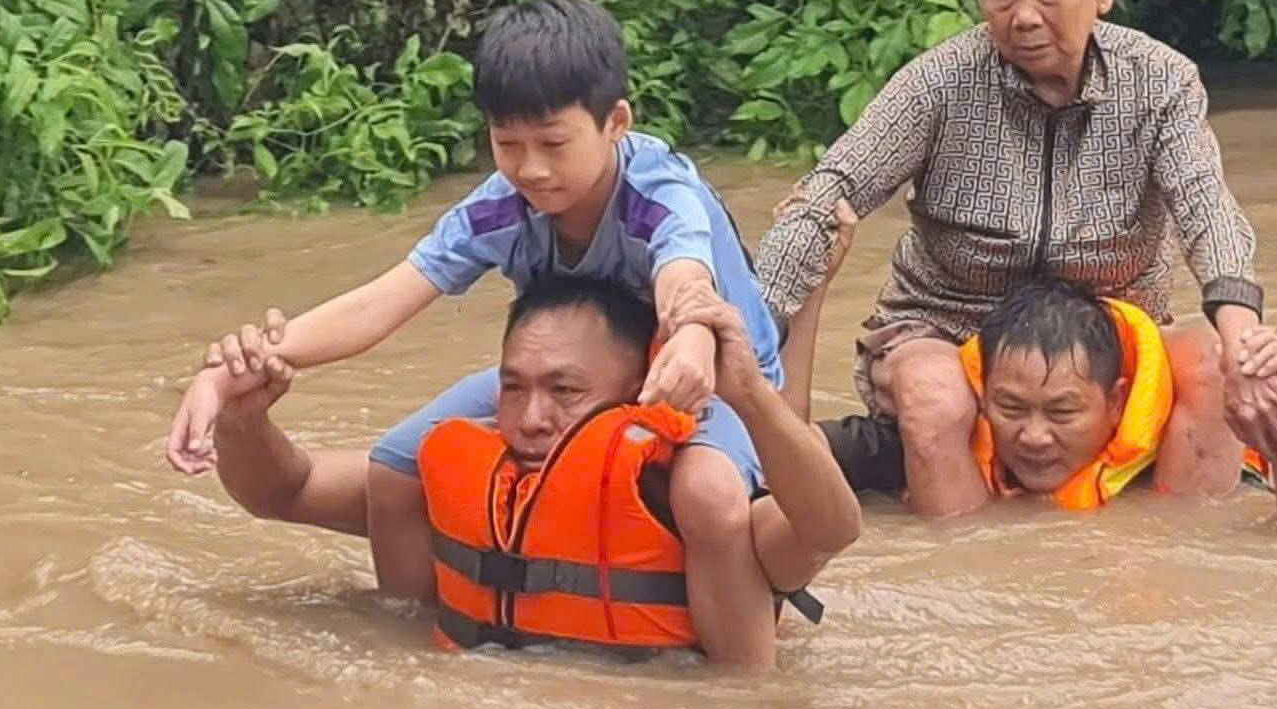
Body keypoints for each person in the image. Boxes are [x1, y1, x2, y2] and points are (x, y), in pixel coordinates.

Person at [166, 0, 798, 668]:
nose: (531, 169)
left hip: (708, 377)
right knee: (395, 469)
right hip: (573, 378)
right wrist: (238, 366)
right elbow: (381, 303)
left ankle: (746, 684)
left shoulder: (662, 191)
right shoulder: (503, 206)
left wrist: (697, 337)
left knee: (707, 494)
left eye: (554, 144)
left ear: (616, 123)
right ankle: (418, 651)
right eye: (508, 145)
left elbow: (686, 275)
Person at [756, 0, 1277, 517]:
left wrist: (1243, 336)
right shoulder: (940, 83)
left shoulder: (1161, 82)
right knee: (934, 395)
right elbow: (830, 191)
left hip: (1100, 349)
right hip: (945, 333)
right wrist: (755, 321)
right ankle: (970, 578)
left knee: (1216, 366)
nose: (1023, 16)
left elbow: (1207, 210)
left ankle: (1171, 561)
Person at [204, 275, 862, 655]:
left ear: (638, 393)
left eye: (566, 391)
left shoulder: (685, 508)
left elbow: (827, 529)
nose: (531, 417)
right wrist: (243, 419)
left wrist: (748, 396)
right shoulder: (465, 486)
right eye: (513, 387)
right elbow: (285, 490)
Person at [820, 277, 1277, 548]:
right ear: (982, 395)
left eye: (1063, 412)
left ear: (1116, 401)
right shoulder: (936, 439)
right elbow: (773, 457)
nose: (1033, 436)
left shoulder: (1184, 442)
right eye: (1010, 408)